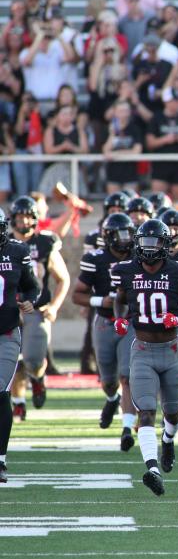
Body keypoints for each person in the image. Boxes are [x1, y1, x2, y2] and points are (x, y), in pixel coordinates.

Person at [112, 219, 178, 496]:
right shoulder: (126, 270)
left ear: (165, 244)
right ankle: (152, 468)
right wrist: (119, 318)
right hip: (142, 350)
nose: (150, 249)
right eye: (145, 243)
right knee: (147, 412)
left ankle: (169, 439)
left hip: (171, 350)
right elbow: (120, 298)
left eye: (155, 243)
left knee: (172, 412)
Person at [73, 212, 138, 450]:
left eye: (128, 233)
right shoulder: (96, 258)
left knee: (127, 376)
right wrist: (101, 301)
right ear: (108, 236)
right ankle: (112, 399)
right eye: (120, 234)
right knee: (109, 381)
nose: (124, 239)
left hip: (129, 322)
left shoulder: (139, 257)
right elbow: (77, 294)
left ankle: (127, 428)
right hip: (104, 321)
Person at [8, 196, 68, 419]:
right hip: (9, 309)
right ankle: (18, 401)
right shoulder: (5, 245)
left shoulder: (44, 243)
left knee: (33, 360)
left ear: (35, 219)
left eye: (27, 216)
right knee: (11, 359)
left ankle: (38, 377)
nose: (23, 221)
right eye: (20, 216)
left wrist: (54, 306)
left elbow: (63, 279)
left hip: (36, 308)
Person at [0, 208, 41, 483]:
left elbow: (32, 285)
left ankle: (0, 459)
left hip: (6, 333)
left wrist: (29, 299)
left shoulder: (16, 250)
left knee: (0, 389)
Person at [146, 90, 178, 202]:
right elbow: (150, 143)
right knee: (158, 201)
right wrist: (165, 140)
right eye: (174, 101)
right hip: (161, 162)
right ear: (166, 102)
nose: (177, 103)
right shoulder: (156, 118)